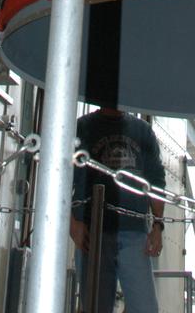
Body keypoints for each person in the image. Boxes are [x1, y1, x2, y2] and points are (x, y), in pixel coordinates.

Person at [71, 106, 166, 313]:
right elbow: (63, 176)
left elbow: (156, 180)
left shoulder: (143, 131)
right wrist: (72, 225)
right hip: (93, 233)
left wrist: (158, 225)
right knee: (96, 306)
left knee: (145, 308)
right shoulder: (82, 127)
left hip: (135, 233)